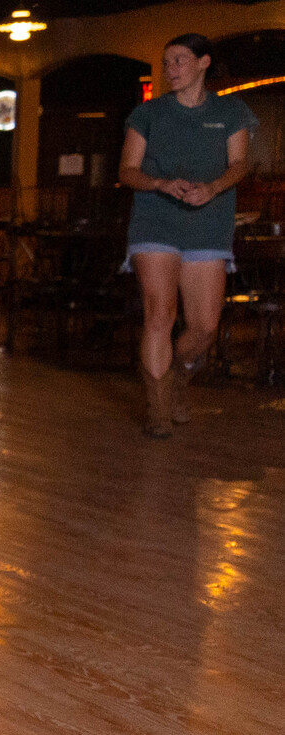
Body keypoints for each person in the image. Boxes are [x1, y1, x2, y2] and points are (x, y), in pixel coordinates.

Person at [122, 31, 256, 437]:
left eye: (179, 60)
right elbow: (127, 170)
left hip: (209, 224)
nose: (170, 69)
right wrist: (160, 184)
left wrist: (213, 188)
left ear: (204, 62)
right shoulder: (147, 113)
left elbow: (240, 163)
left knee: (204, 326)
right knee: (160, 314)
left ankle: (178, 375)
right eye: (167, 63)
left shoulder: (231, 111)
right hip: (155, 220)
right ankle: (158, 409)